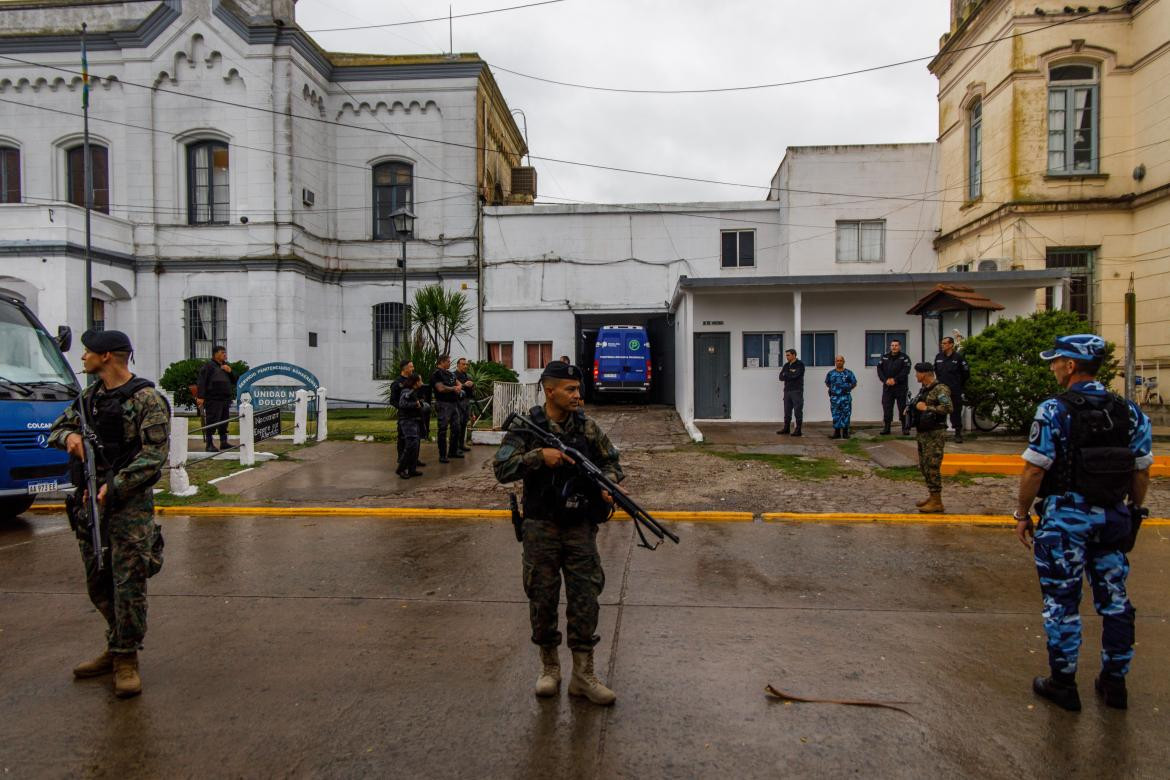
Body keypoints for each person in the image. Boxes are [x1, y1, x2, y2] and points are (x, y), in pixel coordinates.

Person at [1014, 334, 1152, 712]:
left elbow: (1034, 471)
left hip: (1065, 521)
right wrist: (1134, 511)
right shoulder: (1130, 412)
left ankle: (1063, 683)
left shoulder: (1054, 411)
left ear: (1071, 365)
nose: (1053, 366)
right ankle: (1114, 682)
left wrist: (1022, 514)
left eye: (1056, 361)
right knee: (1115, 601)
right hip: (1112, 517)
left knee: (1062, 603)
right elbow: (1142, 473)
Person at [493, 361, 623, 705]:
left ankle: (583, 675)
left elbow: (613, 463)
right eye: (570, 390)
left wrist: (608, 485)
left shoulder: (587, 428)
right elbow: (501, 467)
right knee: (542, 597)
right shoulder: (528, 427)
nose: (577, 395)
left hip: (579, 526)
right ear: (550, 391)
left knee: (585, 598)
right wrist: (539, 457)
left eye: (578, 390)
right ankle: (549, 669)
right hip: (540, 527)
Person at [49, 329, 170, 699]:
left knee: (128, 583)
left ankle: (126, 658)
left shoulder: (148, 399)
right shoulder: (89, 399)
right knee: (98, 580)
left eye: (88, 352)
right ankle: (115, 644)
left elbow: (154, 456)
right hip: (90, 503)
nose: (83, 357)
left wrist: (115, 485)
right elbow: (60, 427)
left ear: (107, 357)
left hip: (128, 506)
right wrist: (69, 438)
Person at [909, 362, 952, 514]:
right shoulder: (924, 390)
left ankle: (937, 501)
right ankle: (932, 496)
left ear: (925, 374)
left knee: (932, 466)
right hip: (923, 433)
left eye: (917, 373)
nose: (915, 376)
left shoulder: (941, 389)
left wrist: (927, 408)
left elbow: (948, 408)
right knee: (924, 466)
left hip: (935, 433)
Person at [195, 345, 234, 452]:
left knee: (224, 421)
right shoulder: (209, 366)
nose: (225, 355)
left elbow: (235, 380)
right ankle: (209, 444)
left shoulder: (226, 366)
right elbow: (202, 381)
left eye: (225, 353)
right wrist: (200, 397)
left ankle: (224, 442)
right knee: (212, 420)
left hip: (225, 399)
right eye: (222, 353)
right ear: (215, 354)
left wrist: (230, 372)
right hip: (213, 399)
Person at [388, 360, 426, 471]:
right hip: (405, 416)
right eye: (411, 367)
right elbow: (393, 401)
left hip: (415, 415)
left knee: (416, 439)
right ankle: (401, 460)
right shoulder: (397, 383)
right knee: (403, 438)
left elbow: (418, 396)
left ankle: (414, 460)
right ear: (404, 368)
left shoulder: (414, 381)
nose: (413, 369)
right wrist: (404, 408)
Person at [934, 336, 970, 443]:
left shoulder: (958, 358)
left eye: (945, 343)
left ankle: (957, 434)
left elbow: (966, 373)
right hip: (942, 390)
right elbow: (936, 371)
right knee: (941, 411)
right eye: (942, 343)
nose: (942, 345)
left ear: (951, 345)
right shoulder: (938, 357)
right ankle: (941, 433)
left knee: (955, 412)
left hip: (954, 390)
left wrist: (959, 385)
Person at [430, 355, 463, 463]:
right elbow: (440, 388)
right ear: (441, 362)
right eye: (448, 362)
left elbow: (457, 383)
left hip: (454, 403)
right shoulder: (437, 374)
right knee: (443, 430)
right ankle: (442, 455)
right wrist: (453, 388)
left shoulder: (449, 373)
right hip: (443, 404)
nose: (450, 363)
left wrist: (458, 387)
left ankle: (453, 451)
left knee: (456, 428)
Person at [395, 374, 428, 479]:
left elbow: (418, 402)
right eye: (420, 381)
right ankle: (401, 469)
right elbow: (402, 404)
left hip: (415, 421)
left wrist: (420, 403)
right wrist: (416, 404)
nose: (422, 383)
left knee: (415, 446)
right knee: (411, 446)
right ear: (416, 382)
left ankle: (412, 469)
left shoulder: (414, 392)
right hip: (408, 422)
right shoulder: (406, 392)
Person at [877, 339, 913, 435]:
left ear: (900, 347)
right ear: (890, 347)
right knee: (887, 407)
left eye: (896, 345)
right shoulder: (884, 357)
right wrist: (886, 380)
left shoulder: (904, 357)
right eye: (892, 345)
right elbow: (879, 370)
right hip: (888, 387)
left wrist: (895, 380)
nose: (894, 347)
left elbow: (906, 371)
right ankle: (887, 428)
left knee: (903, 408)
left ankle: (905, 428)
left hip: (900, 387)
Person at [823, 355, 857, 439]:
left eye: (841, 360)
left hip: (845, 397)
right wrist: (834, 389)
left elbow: (854, 383)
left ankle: (845, 432)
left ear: (844, 362)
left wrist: (846, 388)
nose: (839, 362)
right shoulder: (831, 373)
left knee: (846, 414)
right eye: (837, 361)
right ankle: (837, 433)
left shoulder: (849, 373)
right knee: (835, 414)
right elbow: (827, 383)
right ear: (835, 362)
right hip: (835, 398)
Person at [776, 348, 805, 437]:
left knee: (797, 411)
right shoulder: (786, 365)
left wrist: (787, 374)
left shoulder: (800, 364)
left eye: (788, 355)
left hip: (796, 391)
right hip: (787, 391)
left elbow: (796, 375)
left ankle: (798, 430)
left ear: (793, 355)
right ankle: (786, 428)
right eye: (786, 355)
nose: (787, 357)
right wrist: (789, 373)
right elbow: (781, 377)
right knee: (787, 411)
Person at [454, 358, 475, 454]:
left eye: (466, 364)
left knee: (464, 424)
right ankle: (455, 446)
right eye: (463, 364)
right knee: (457, 424)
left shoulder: (468, 375)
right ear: (458, 365)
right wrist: (464, 385)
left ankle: (461, 444)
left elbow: (472, 391)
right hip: (457, 402)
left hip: (467, 401)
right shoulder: (453, 375)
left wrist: (472, 385)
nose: (465, 366)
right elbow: (454, 387)